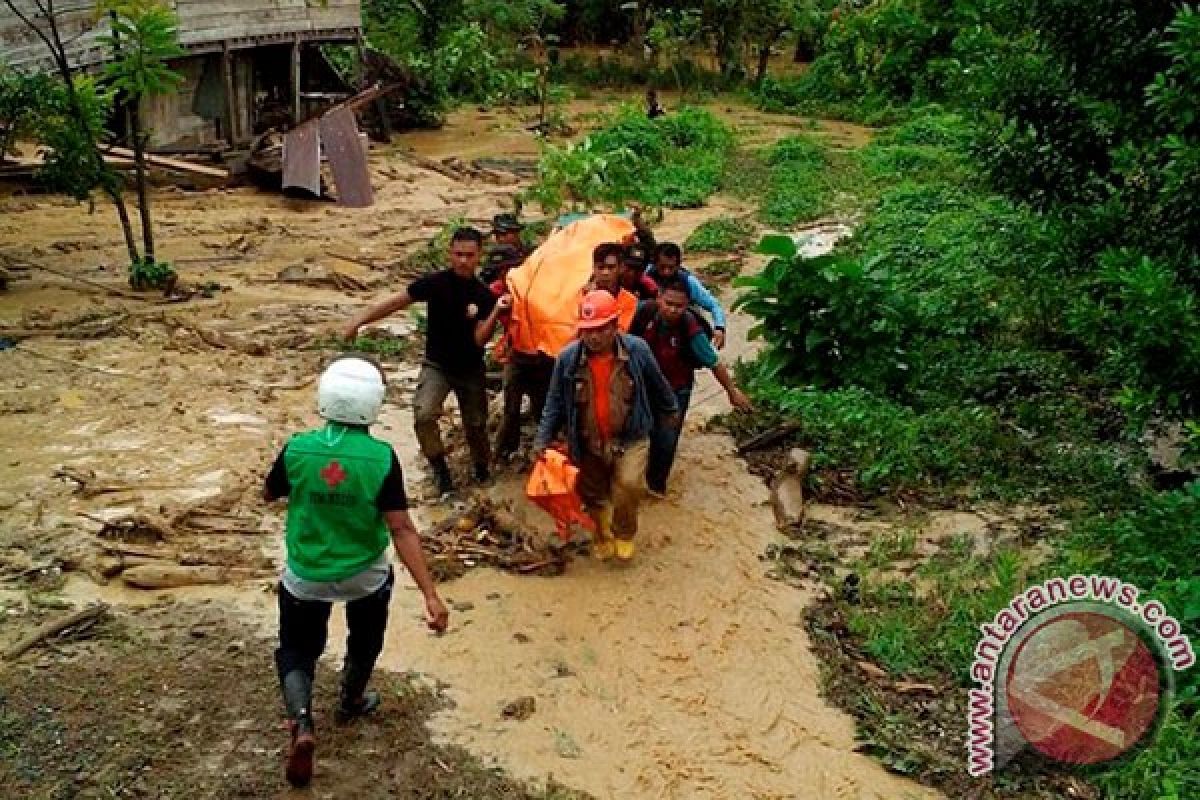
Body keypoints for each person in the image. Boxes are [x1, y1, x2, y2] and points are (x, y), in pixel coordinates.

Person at [264, 356, 449, 788]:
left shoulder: (297, 448)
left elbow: (270, 492)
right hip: (363, 573)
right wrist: (430, 595)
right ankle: (351, 697)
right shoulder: (382, 458)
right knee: (366, 635)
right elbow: (400, 528)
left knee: (296, 649)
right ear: (374, 405)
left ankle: (303, 723)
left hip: (306, 573)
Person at [342, 227, 508, 494]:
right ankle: (440, 469)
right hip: (437, 366)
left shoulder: (483, 296)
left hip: (470, 369)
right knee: (423, 414)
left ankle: (481, 469)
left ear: (479, 256)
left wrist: (495, 312)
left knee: (476, 425)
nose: (463, 261)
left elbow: (480, 339)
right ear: (449, 254)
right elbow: (397, 303)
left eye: (469, 255)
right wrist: (360, 320)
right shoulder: (435, 283)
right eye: (458, 254)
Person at [535, 290, 679, 562]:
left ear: (615, 326)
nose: (594, 336)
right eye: (588, 330)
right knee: (593, 493)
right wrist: (542, 439)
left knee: (629, 485)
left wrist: (670, 411)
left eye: (601, 329)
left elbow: (659, 384)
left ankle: (624, 532)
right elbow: (553, 402)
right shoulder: (567, 359)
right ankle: (601, 532)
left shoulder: (637, 351)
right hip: (587, 440)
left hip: (631, 437)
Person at [630, 278, 753, 497]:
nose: (673, 310)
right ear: (659, 298)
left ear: (687, 306)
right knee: (634, 435)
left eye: (679, 306)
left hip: (676, 390)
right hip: (643, 387)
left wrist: (732, 392)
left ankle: (656, 487)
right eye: (668, 303)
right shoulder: (642, 314)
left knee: (666, 441)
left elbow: (714, 363)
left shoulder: (691, 328)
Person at [646, 242, 728, 350]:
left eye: (671, 268)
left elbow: (713, 305)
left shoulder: (688, 281)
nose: (667, 272)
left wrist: (719, 328)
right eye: (662, 267)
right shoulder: (646, 275)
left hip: (681, 328)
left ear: (678, 265)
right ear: (654, 263)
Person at [589, 242, 640, 331]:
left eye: (611, 267)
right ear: (593, 269)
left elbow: (619, 333)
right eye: (600, 267)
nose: (605, 272)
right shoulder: (582, 295)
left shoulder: (629, 300)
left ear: (621, 268)